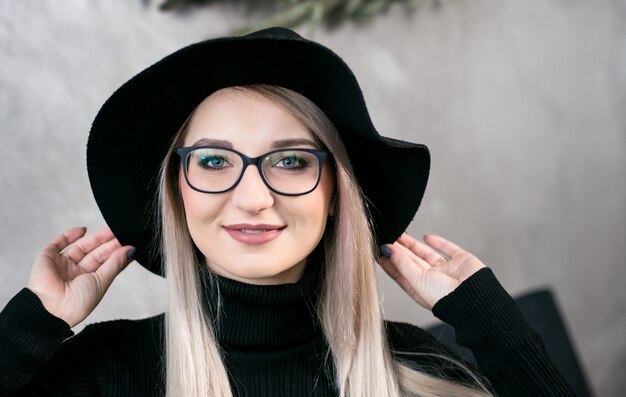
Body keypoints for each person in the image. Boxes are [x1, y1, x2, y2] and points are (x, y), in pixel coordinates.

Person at [0, 27, 575, 397]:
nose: (253, 197)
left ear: (336, 198)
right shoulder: (107, 373)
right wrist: (31, 324)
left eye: (293, 162)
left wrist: (486, 318)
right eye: (214, 160)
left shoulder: (418, 369)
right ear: (177, 191)